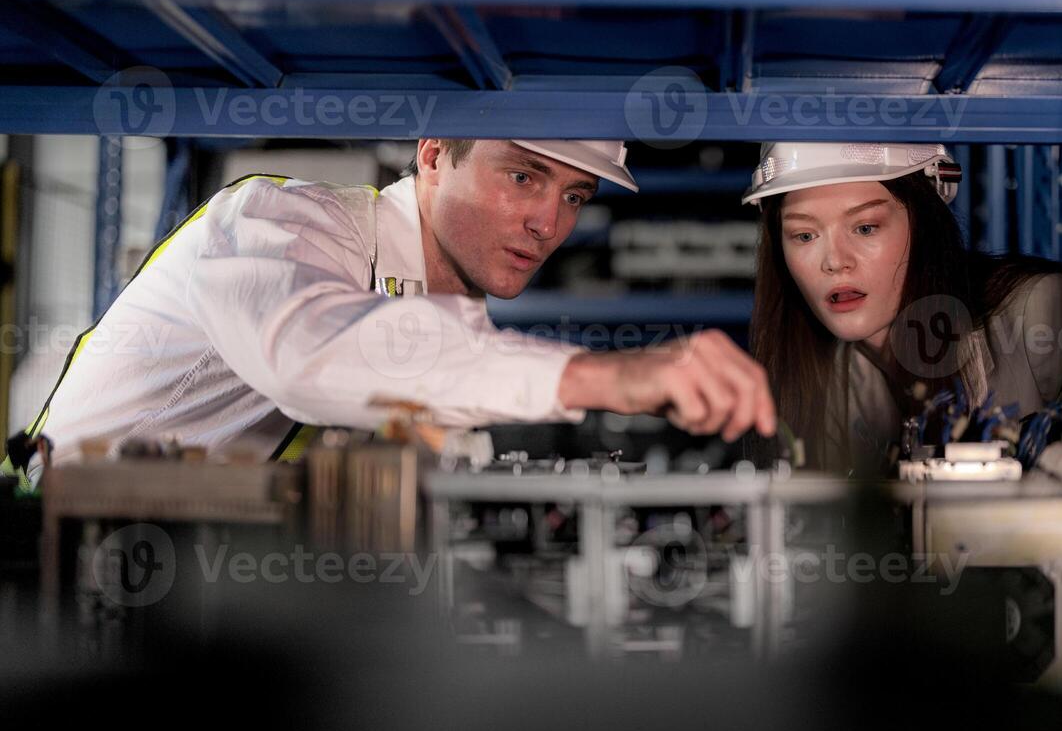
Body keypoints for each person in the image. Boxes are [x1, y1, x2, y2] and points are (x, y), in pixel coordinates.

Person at [5, 138, 775, 484]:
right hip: (56, 576)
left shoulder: (451, 321)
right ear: (435, 152)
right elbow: (310, 357)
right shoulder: (280, 221)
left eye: (575, 196)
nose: (550, 223)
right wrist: (609, 376)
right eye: (524, 178)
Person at [744, 142, 1062, 473]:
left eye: (865, 228)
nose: (834, 261)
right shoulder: (818, 381)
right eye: (804, 236)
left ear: (924, 223)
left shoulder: (1035, 314)